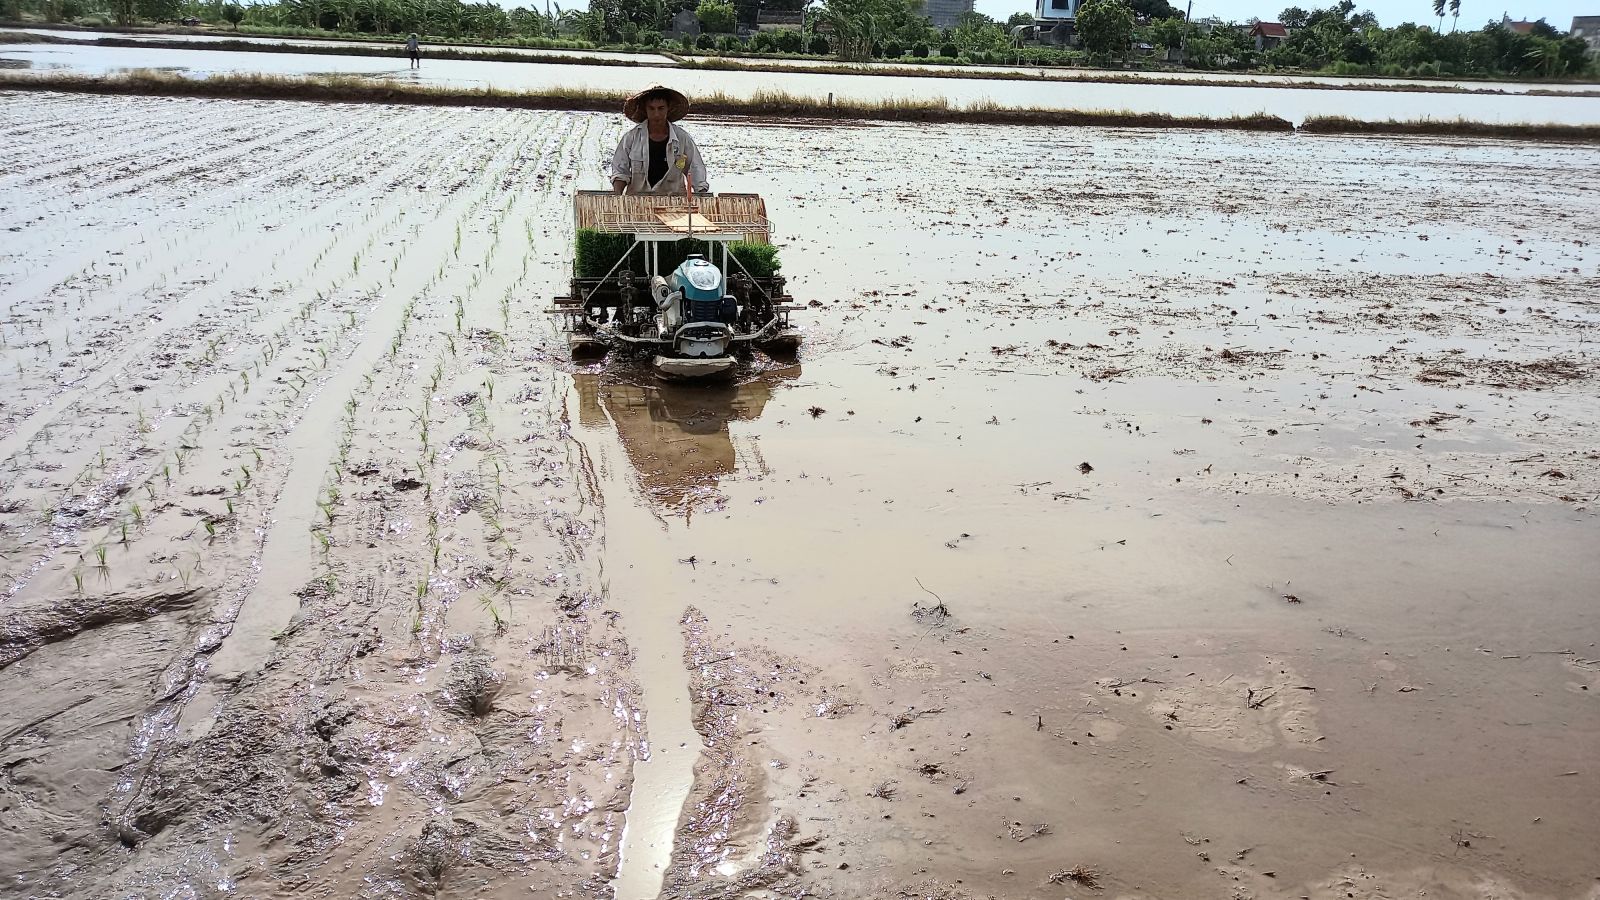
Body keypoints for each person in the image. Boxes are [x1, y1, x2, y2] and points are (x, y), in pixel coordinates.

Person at [609, 85, 710, 196]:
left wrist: (702, 194)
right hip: (637, 200)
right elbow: (620, 170)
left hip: (674, 200)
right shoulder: (631, 138)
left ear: (668, 108)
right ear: (645, 109)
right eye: (651, 108)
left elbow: (696, 168)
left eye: (661, 108)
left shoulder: (682, 138)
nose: (656, 114)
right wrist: (617, 195)